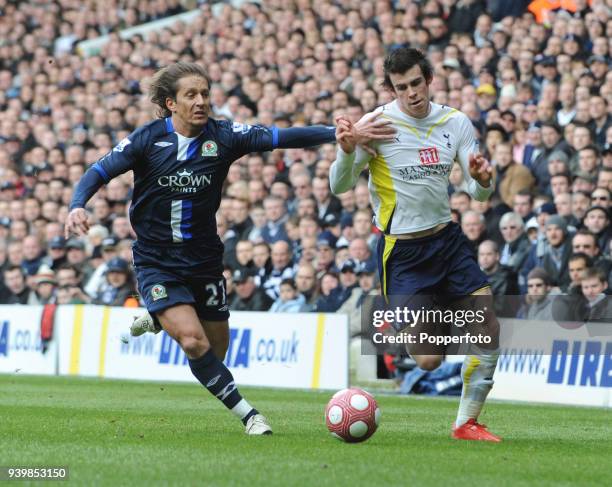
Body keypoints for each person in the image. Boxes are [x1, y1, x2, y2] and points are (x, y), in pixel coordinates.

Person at [65, 62, 393, 435]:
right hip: (156, 260)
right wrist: (78, 204)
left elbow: (283, 136)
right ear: (171, 103)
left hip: (204, 259)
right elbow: (97, 172)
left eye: (205, 93)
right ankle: (250, 415)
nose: (201, 101)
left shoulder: (224, 136)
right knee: (192, 342)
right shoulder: (147, 140)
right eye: (191, 95)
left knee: (215, 351)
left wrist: (336, 134)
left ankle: (160, 316)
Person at [330, 47, 501, 442]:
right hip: (402, 253)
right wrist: (348, 149)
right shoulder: (375, 123)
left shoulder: (455, 122)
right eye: (401, 87)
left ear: (429, 80)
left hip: (447, 241)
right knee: (427, 359)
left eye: (416, 83)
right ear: (392, 88)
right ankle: (411, 321)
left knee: (488, 326)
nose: (411, 93)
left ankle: (466, 423)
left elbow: (476, 193)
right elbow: (339, 186)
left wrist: (483, 177)